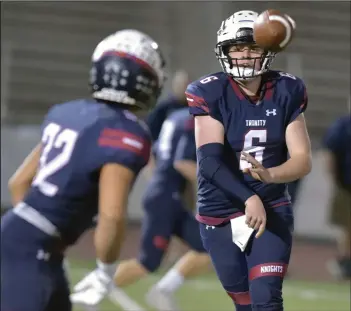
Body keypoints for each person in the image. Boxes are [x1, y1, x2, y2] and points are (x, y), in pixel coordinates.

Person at [1, 29, 166, 311]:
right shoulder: (127, 133)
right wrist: (106, 269)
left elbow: (19, 182)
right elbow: (111, 216)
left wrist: (45, 237)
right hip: (32, 252)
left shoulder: (68, 113)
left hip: (22, 239)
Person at [186, 10, 312, 311]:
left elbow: (302, 159)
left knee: (266, 300)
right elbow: (210, 162)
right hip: (221, 207)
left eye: (253, 47)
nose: (244, 55)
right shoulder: (209, 92)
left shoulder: (286, 89)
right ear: (225, 52)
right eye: (237, 48)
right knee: (243, 303)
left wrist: (268, 177)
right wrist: (247, 198)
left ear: (266, 51)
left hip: (271, 206)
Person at [111, 107, 211, 311]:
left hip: (166, 195)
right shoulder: (192, 121)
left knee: (210, 247)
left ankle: (163, 290)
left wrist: (160, 184)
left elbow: (153, 154)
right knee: (147, 263)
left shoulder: (175, 116)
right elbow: (183, 162)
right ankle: (94, 288)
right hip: (165, 198)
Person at [322, 106, 351, 280]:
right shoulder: (343, 125)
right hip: (347, 184)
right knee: (346, 225)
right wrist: (335, 180)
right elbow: (330, 153)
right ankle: (345, 260)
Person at [146, 70, 190, 142]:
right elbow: (151, 132)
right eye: (179, 84)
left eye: (185, 85)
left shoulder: (194, 110)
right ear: (174, 85)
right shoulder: (163, 109)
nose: (182, 88)